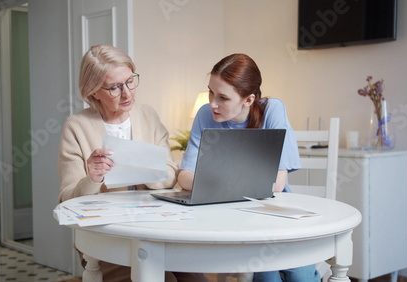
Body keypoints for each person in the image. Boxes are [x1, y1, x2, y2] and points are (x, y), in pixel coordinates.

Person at [58, 44, 208, 282]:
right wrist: (92, 178)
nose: (127, 93)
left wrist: (149, 169)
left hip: (157, 228)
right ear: (94, 91)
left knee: (196, 280)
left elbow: (171, 173)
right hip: (107, 236)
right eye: (114, 87)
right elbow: (68, 198)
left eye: (130, 81)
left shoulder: (148, 115)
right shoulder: (76, 126)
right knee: (164, 279)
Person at [178, 53, 320, 282]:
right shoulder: (205, 115)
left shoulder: (272, 110)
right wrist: (235, 184)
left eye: (223, 97)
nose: (213, 103)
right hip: (225, 217)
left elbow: (277, 184)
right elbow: (184, 177)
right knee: (267, 278)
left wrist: (216, 182)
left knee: (299, 273)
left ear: (248, 100)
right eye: (211, 92)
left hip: (273, 214)